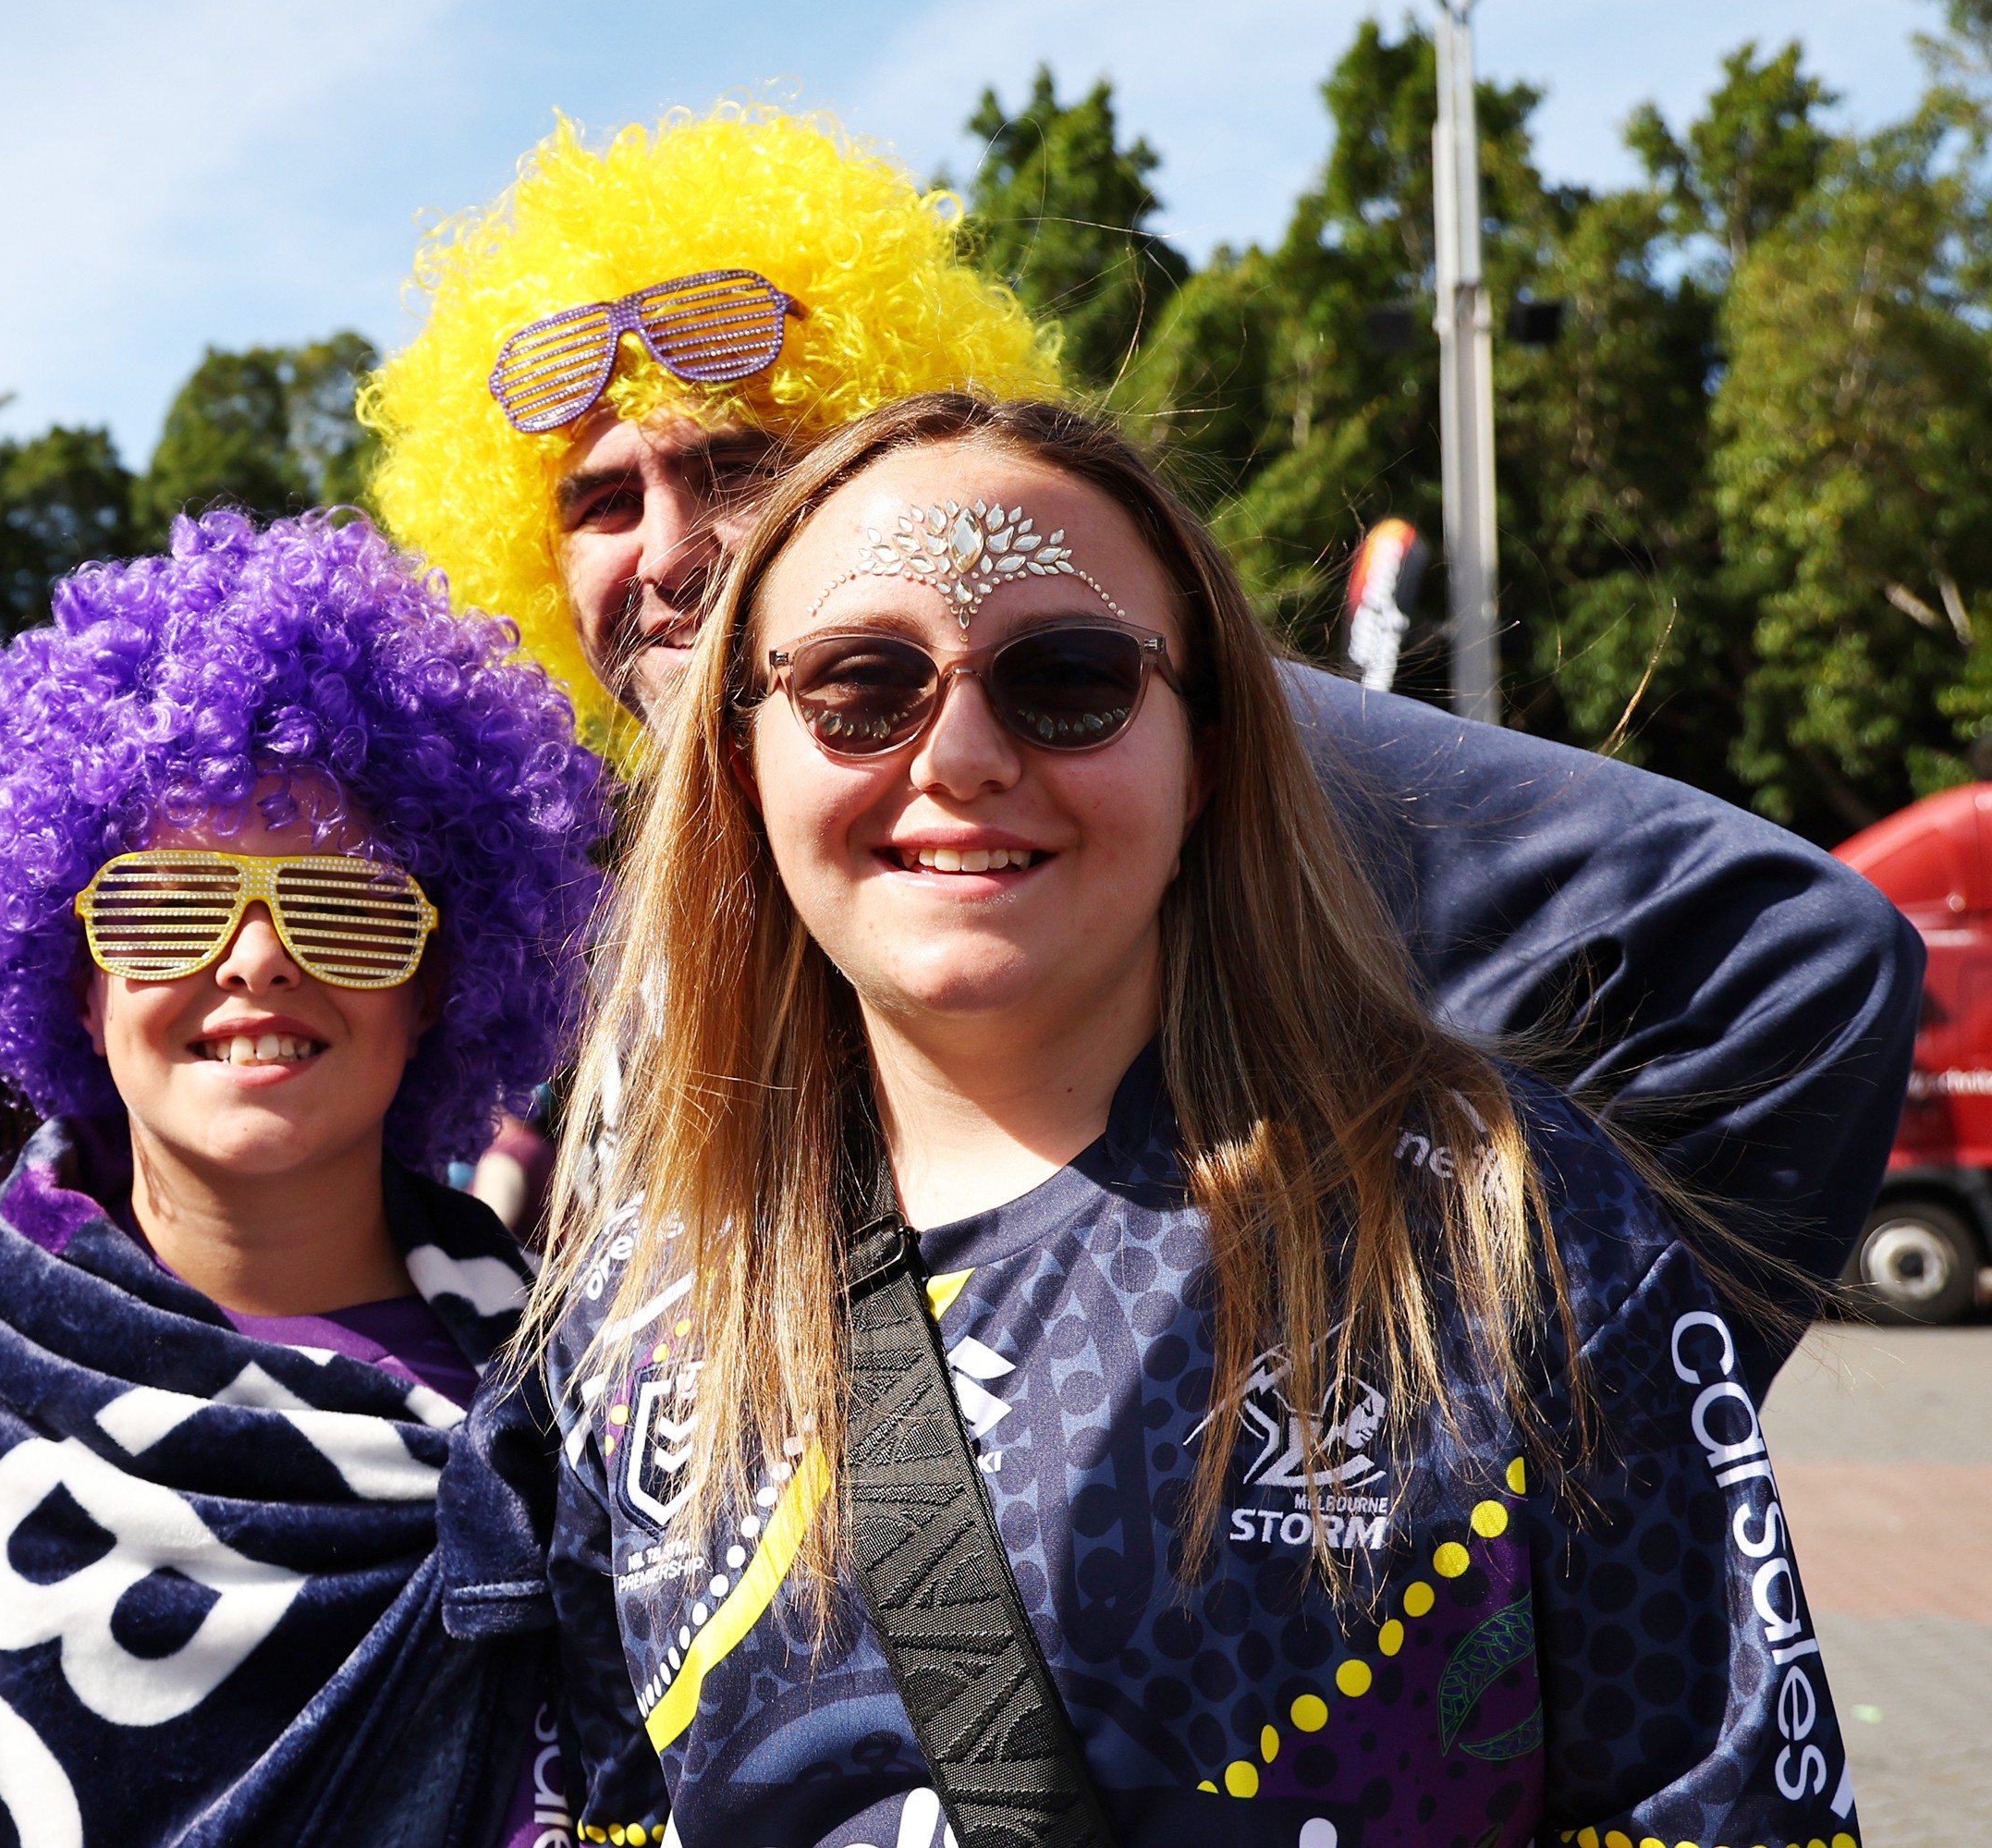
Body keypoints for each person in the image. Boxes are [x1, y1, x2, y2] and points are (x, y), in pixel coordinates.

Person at [360, 104, 1922, 1378]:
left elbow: (1794, 957)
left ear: (888, 460)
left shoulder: (1117, 727)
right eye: (598, 501)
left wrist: (1538, 1446)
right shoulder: (671, 844)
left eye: (739, 464)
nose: (671, 545)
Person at [536, 392, 1857, 1847]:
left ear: (1209, 752)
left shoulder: (1510, 1233)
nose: (962, 753)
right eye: (860, 684)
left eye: (1071, 677)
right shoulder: (634, 1310)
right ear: (742, 760)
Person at [0, 508, 608, 1845]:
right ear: (73, 986)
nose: (256, 960)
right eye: (165, 907)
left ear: (439, 986)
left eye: (346, 909)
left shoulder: (589, 1398)